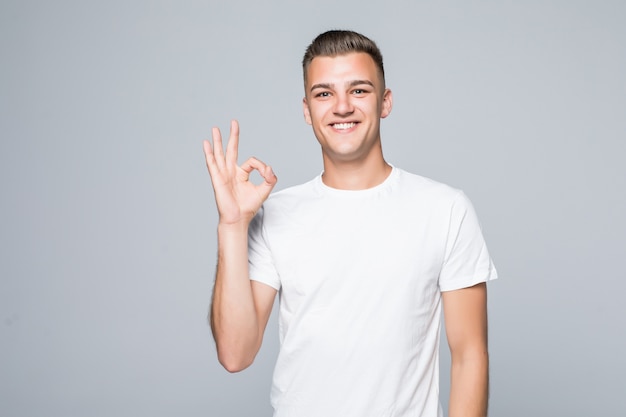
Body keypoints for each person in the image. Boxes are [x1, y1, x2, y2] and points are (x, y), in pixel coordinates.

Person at [204, 30, 498, 417]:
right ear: (307, 110)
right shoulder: (275, 214)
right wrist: (232, 225)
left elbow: (469, 356)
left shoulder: (445, 209)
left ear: (385, 101)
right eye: (324, 94)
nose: (341, 106)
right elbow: (235, 353)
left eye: (358, 90)